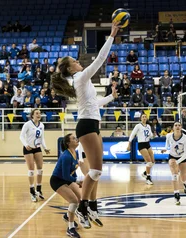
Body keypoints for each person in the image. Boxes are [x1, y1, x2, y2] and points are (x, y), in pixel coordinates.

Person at [51, 22, 120, 228]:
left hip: (92, 122)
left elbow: (94, 104)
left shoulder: (82, 82)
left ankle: (92, 205)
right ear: (71, 68)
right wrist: (112, 35)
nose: (78, 61)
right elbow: (100, 59)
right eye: (74, 60)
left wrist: (111, 97)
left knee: (97, 170)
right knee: (95, 171)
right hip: (87, 125)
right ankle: (83, 206)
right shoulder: (80, 77)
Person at [50, 133, 81, 238]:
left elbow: (73, 170)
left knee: (80, 198)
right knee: (74, 201)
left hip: (66, 179)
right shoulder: (66, 156)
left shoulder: (75, 153)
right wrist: (76, 181)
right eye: (73, 138)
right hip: (57, 181)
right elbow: (66, 176)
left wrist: (76, 180)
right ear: (68, 143)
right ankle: (70, 228)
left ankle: (67, 216)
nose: (76, 139)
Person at [19, 109, 50, 202]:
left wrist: (45, 148)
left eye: (40, 113)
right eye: (37, 113)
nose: (39, 114)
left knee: (40, 169)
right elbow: (21, 136)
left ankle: (39, 189)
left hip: (37, 148)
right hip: (28, 148)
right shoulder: (27, 124)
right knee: (31, 170)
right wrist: (25, 144)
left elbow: (42, 138)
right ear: (32, 115)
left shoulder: (42, 125)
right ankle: (32, 191)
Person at [162, 122, 186, 205]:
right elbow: (167, 143)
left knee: (183, 178)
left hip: (183, 158)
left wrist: (178, 162)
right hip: (172, 157)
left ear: (181, 128)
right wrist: (165, 148)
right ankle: (176, 195)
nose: (177, 127)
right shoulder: (168, 136)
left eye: (179, 125)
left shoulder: (185, 138)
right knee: (174, 175)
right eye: (176, 125)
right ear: (173, 128)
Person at [127, 114, 156, 185]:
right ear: (140, 118)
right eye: (143, 117)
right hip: (141, 144)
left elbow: (150, 136)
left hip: (148, 144)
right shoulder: (138, 126)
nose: (144, 118)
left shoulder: (148, 126)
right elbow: (132, 135)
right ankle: (148, 178)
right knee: (148, 162)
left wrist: (153, 136)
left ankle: (145, 173)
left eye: (145, 117)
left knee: (152, 162)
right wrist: (129, 144)